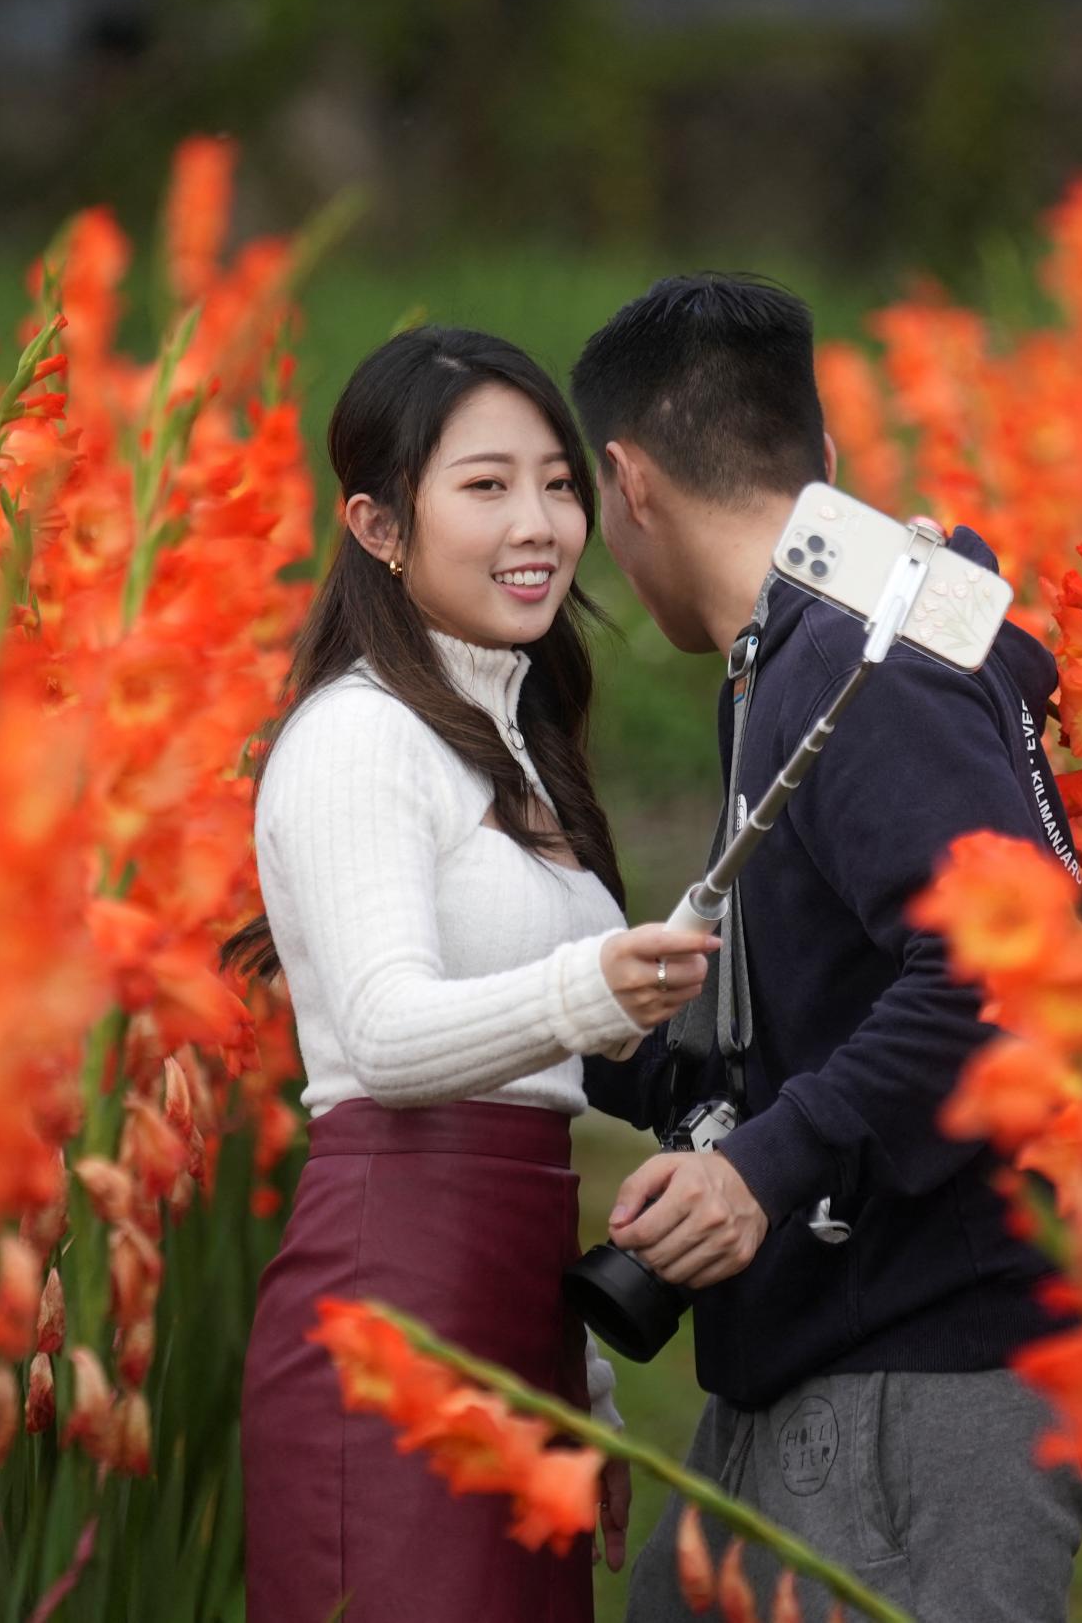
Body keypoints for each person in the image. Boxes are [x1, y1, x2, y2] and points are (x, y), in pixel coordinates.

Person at [571, 275, 1082, 1620]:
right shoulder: (791, 660)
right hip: (826, 1353)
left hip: (918, 1379)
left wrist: (763, 1166)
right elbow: (824, 1003)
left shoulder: (852, 666)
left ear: (629, 482)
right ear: (828, 457)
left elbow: (1005, 962)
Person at [227, 326, 719, 1623]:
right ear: (379, 526)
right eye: (486, 484)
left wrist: (588, 1386)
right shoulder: (357, 738)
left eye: (559, 482)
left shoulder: (517, 739)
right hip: (393, 1314)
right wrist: (593, 985)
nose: (542, 522)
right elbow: (386, 1038)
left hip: (515, 1310)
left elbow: (537, 1096)